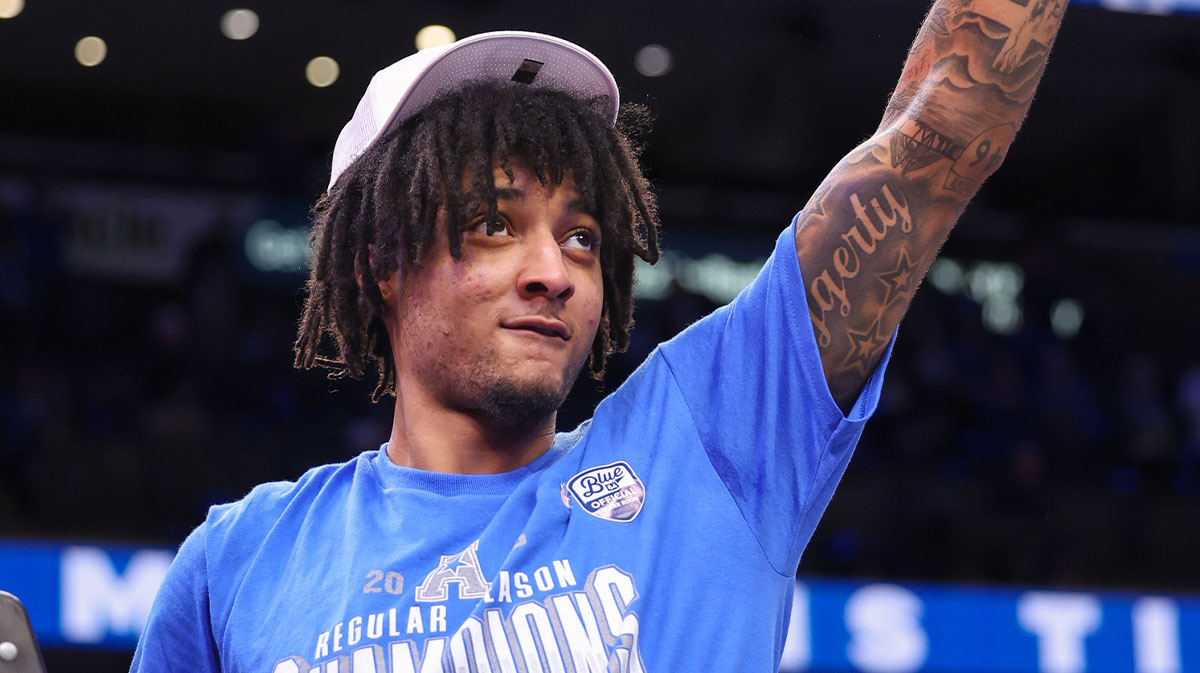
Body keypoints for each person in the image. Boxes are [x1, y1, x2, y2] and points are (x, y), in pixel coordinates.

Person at [132, 2, 1067, 671]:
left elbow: (941, 126)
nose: (556, 269)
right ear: (382, 258)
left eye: (582, 234)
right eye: (495, 223)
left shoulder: (710, 440)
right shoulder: (239, 559)